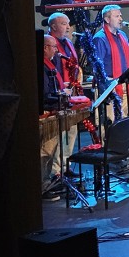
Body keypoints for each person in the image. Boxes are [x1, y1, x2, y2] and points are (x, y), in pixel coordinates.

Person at [46, 12, 82, 179]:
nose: (68, 27)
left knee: (71, 131)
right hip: (56, 96)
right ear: (53, 26)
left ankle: (66, 166)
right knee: (59, 135)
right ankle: (56, 171)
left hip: (71, 93)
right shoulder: (48, 43)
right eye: (63, 24)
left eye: (68, 24)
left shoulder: (67, 42)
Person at [92, 4, 129, 121]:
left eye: (121, 16)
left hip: (125, 86)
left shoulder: (122, 35)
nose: (121, 19)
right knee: (112, 123)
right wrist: (107, 89)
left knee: (124, 121)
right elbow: (97, 67)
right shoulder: (100, 38)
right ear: (107, 19)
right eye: (117, 16)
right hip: (111, 87)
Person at [39, 35, 67, 201]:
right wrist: (62, 96)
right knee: (46, 151)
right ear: (44, 48)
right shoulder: (41, 66)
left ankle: (47, 182)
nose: (56, 51)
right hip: (47, 114)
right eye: (53, 47)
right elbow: (45, 94)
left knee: (52, 151)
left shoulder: (49, 64)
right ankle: (42, 187)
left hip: (53, 111)